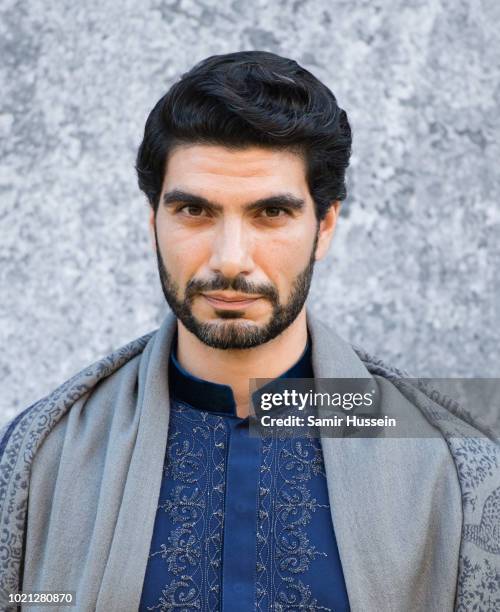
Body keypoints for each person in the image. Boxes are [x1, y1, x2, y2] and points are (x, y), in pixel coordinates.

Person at [0, 50, 498, 612]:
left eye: (270, 213)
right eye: (194, 210)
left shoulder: (453, 467)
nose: (231, 260)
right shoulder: (41, 457)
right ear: (154, 221)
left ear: (325, 225)